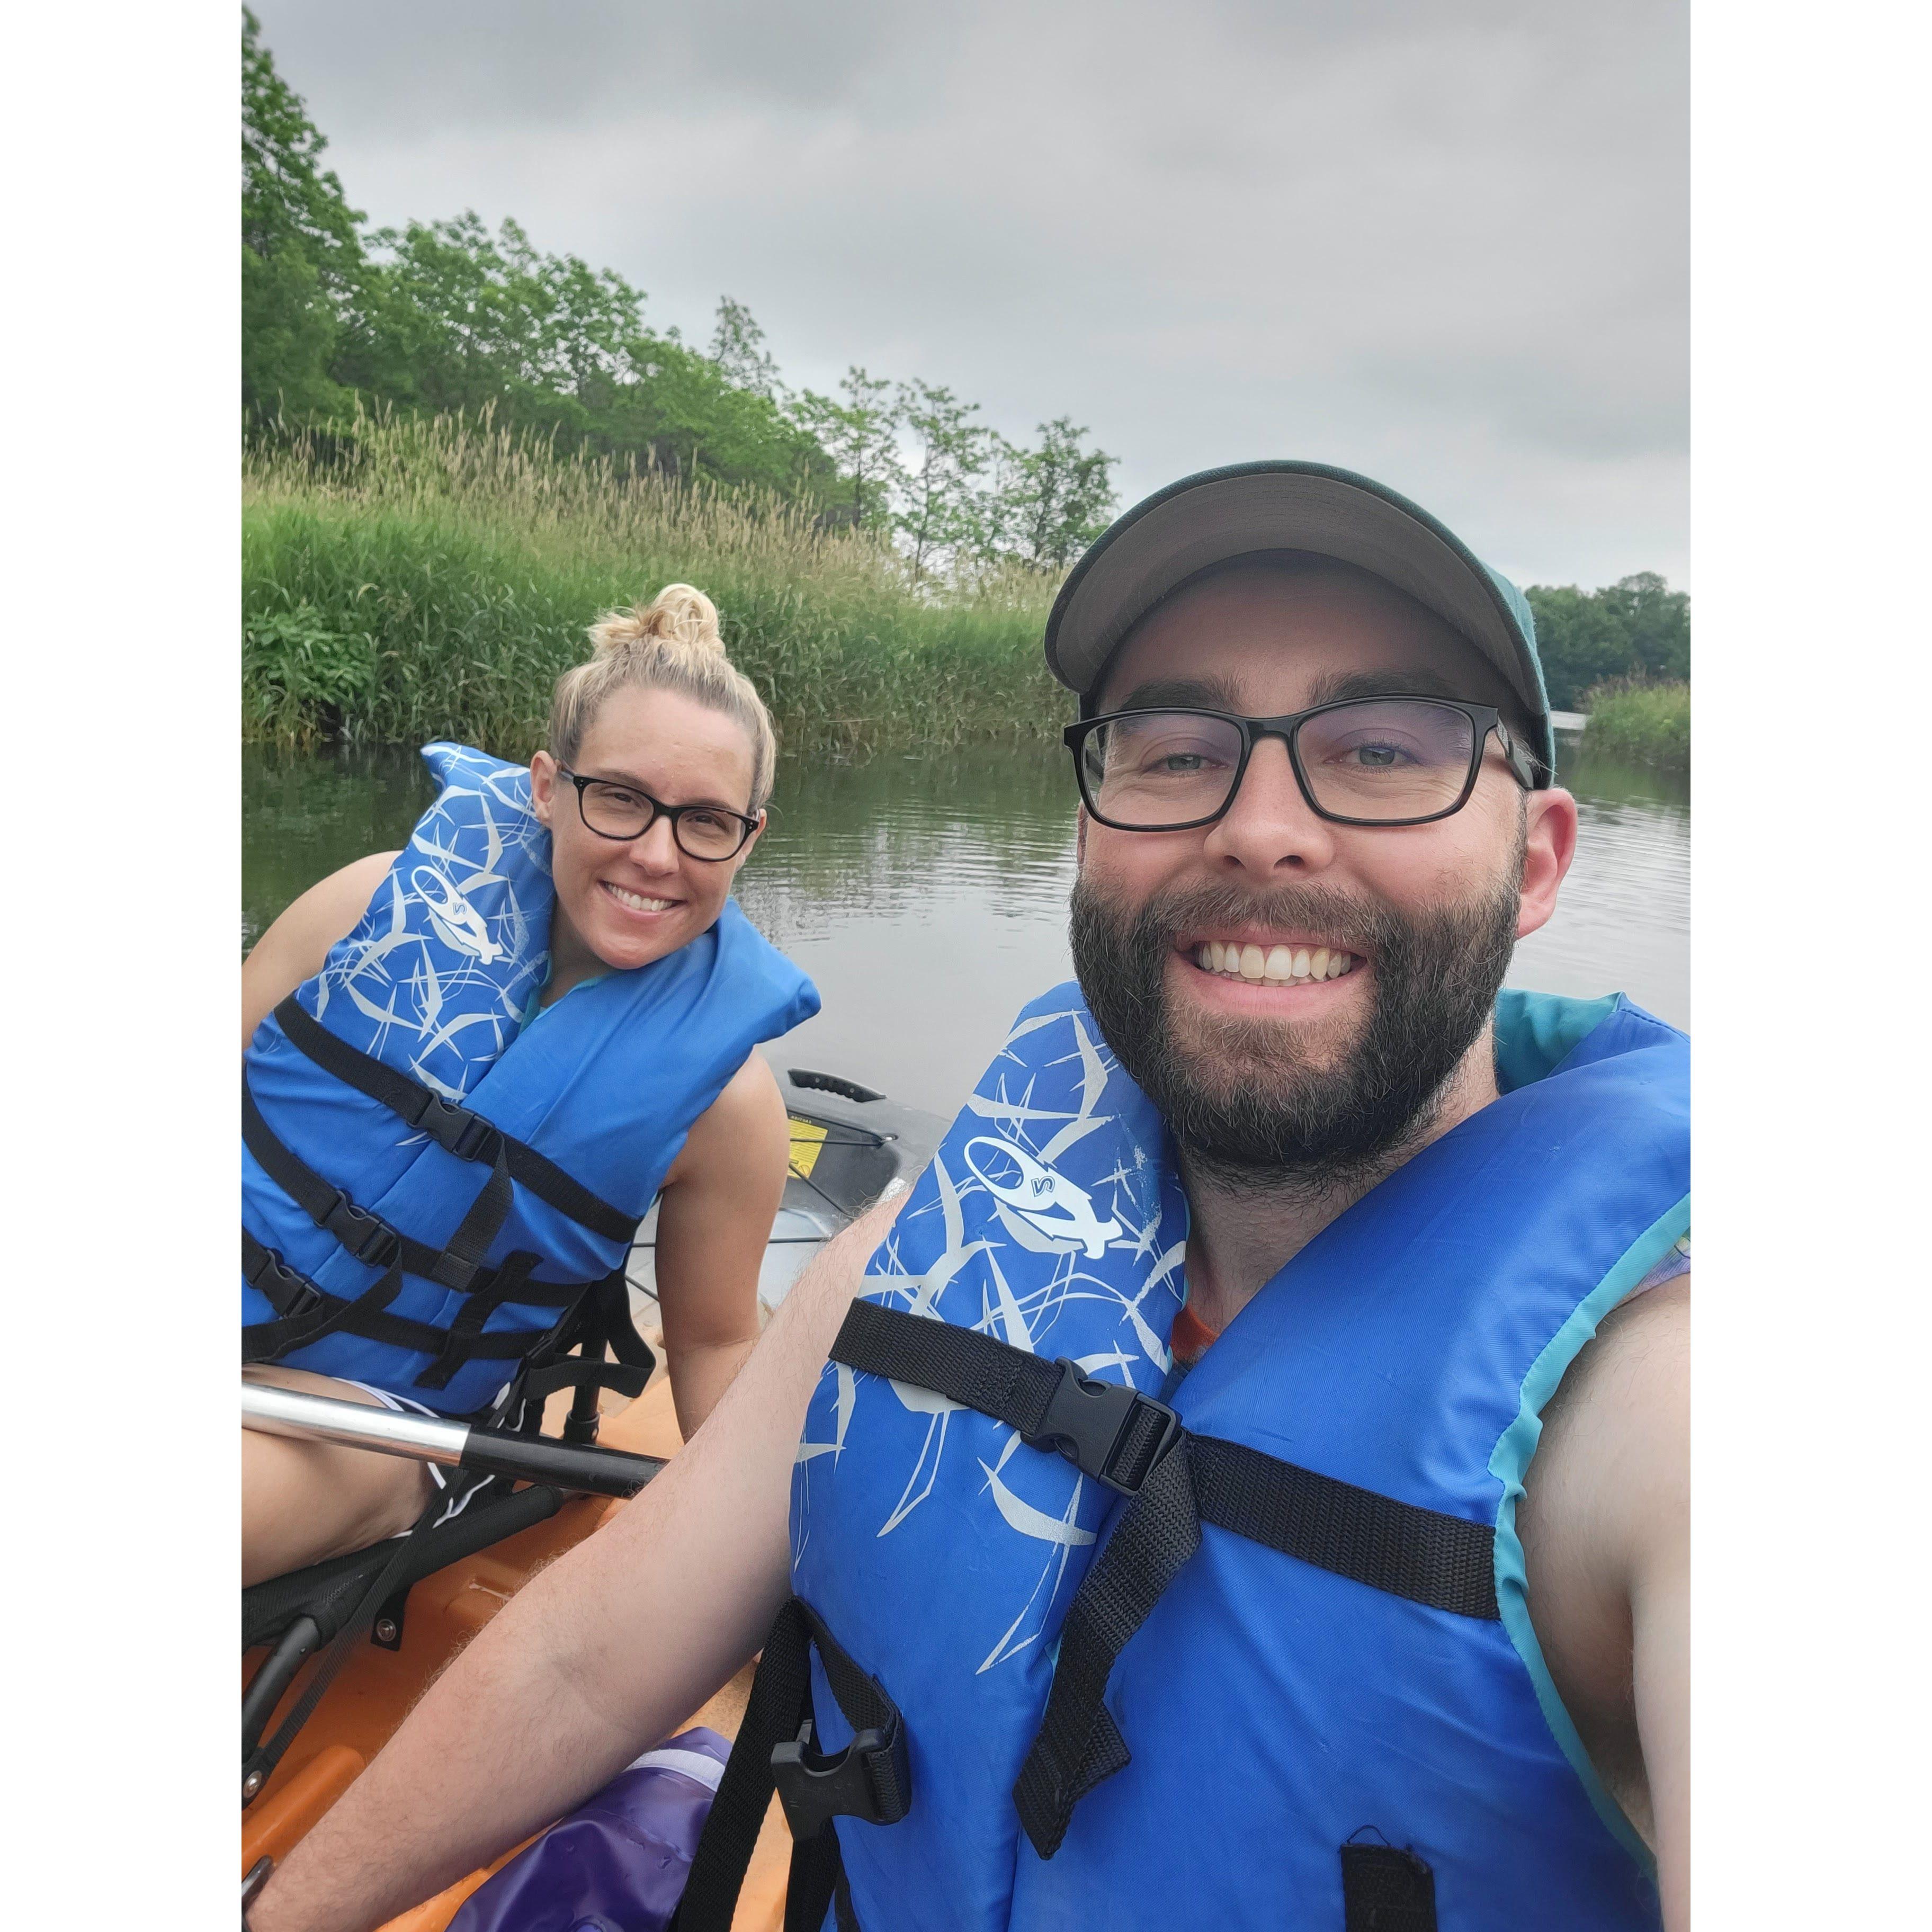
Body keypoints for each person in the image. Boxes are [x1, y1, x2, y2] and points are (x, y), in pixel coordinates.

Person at [251, 465, 1688, 1932]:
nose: (1263, 826)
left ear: (1540, 860)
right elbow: (579, 1661)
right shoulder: (932, 1252)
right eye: (1175, 748)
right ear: (1090, 827)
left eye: (1386, 749)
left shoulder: (1668, 1415)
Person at [242, 585, 819, 1586]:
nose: (656, 854)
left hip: (361, 1428)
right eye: (621, 799)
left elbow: (720, 1348)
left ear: (750, 838)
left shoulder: (728, 1108)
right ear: (549, 787)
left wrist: (784, 1572)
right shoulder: (366, 904)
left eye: (707, 822)